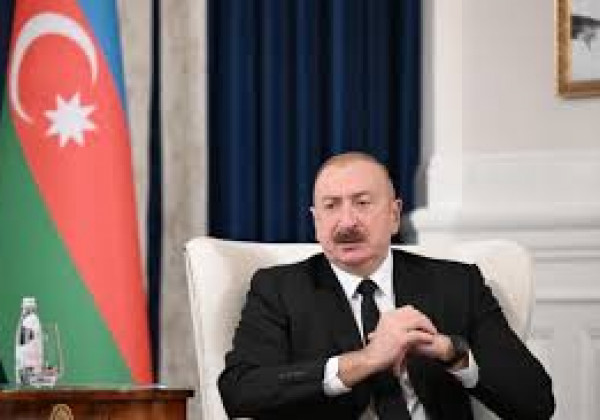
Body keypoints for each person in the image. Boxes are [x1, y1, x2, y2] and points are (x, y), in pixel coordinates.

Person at [218, 152, 555, 419]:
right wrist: (365, 360)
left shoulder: (456, 284)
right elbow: (241, 392)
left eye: (362, 203)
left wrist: (450, 352)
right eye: (331, 206)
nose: (347, 222)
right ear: (316, 221)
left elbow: (536, 402)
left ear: (394, 215)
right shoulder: (278, 290)